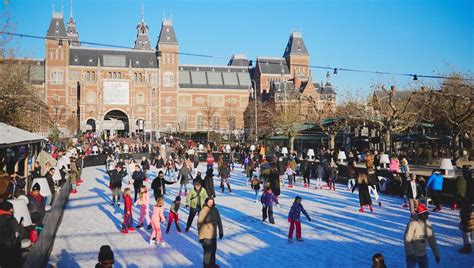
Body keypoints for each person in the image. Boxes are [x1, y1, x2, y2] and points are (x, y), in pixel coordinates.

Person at [198, 197, 223, 268]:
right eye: (209, 202)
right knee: (207, 253)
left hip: (213, 235)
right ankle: (206, 266)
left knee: (213, 251)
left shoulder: (215, 210)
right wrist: (201, 237)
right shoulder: (203, 211)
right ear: (206, 202)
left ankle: (212, 264)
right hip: (206, 236)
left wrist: (221, 231)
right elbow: (199, 225)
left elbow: (219, 221)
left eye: (212, 202)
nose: (211, 204)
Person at [0, 201, 25, 268]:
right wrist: (21, 225)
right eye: (12, 208)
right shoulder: (12, 220)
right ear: (9, 209)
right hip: (11, 251)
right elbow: (20, 235)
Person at [458, 166, 473, 254]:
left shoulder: (463, 181)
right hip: (471, 207)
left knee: (465, 227)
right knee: (470, 226)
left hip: (466, 207)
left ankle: (467, 246)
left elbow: (460, 194)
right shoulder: (471, 181)